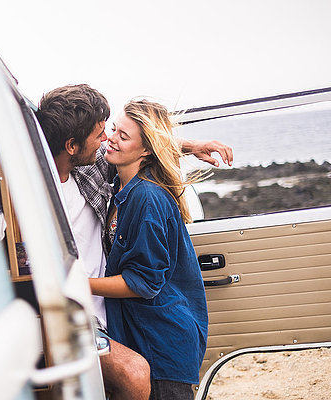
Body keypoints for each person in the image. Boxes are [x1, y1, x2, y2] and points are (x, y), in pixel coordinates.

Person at [35, 85, 232, 400]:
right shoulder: (101, 177)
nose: (106, 140)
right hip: (125, 329)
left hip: (155, 339)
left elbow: (143, 141)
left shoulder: (117, 182)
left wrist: (193, 145)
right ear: (71, 145)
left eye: (113, 133)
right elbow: (137, 141)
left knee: (136, 375)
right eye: (104, 132)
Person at [89, 99, 211, 400]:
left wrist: (76, 285)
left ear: (145, 151)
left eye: (122, 135)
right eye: (113, 129)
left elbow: (142, 282)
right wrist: (190, 145)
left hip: (162, 345)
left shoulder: (147, 198)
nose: (110, 138)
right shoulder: (120, 183)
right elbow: (152, 143)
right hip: (143, 337)